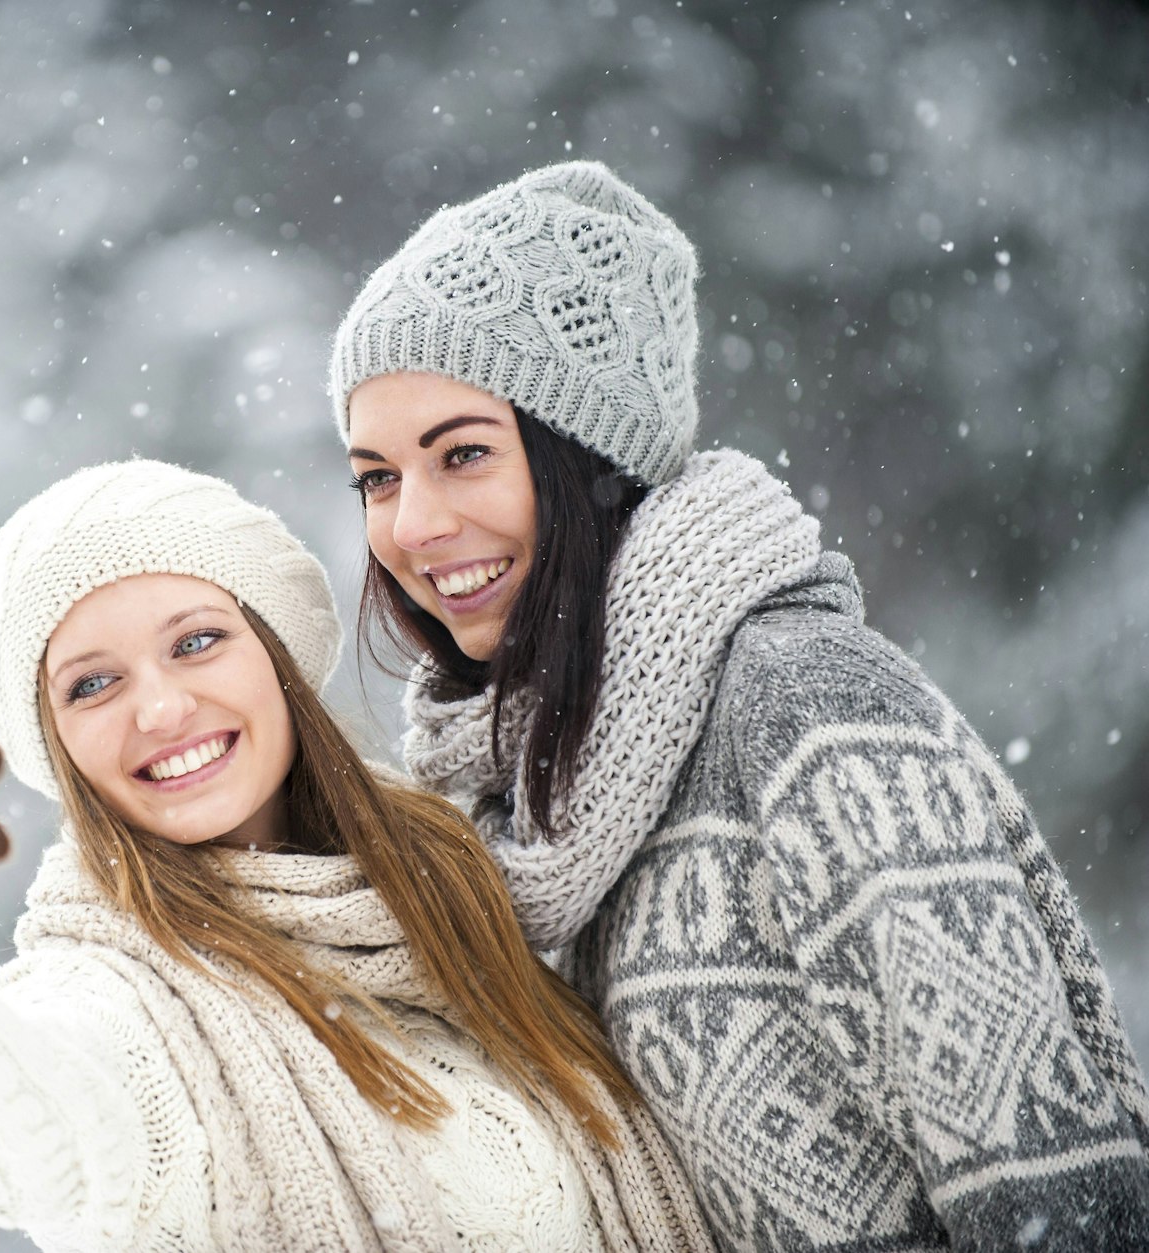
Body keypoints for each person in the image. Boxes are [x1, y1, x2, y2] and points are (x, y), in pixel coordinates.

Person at [326, 159, 1149, 1251]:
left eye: (463, 454)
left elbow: (1052, 1190)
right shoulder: (508, 787)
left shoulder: (804, 708)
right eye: (376, 476)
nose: (411, 524)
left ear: (591, 460)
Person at [0, 459, 717, 1251]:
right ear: (57, 746)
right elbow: (37, 1111)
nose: (160, 708)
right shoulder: (119, 998)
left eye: (198, 640)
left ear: (275, 656)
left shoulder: (472, 878)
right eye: (91, 684)